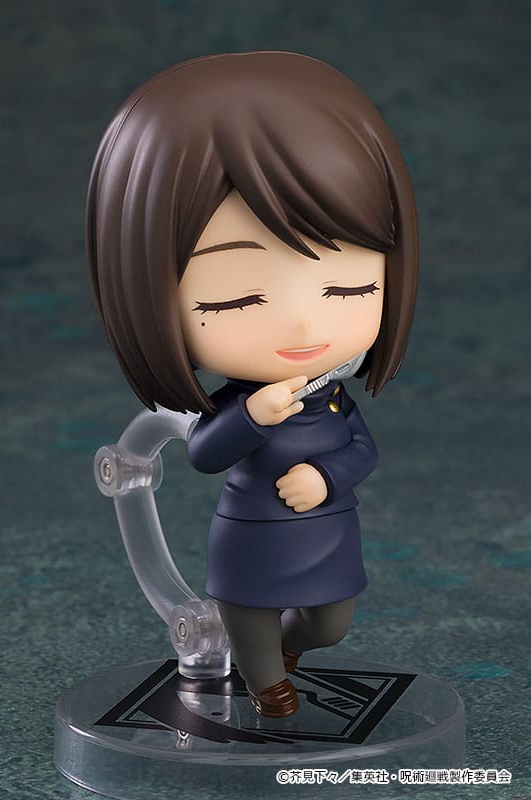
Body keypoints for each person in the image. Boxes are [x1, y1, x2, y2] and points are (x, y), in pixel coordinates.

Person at [86, 51, 418, 717]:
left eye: (347, 287)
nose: (303, 322)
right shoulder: (240, 401)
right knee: (250, 617)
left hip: (327, 527)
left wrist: (327, 478)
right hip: (251, 532)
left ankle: (287, 651)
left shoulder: (333, 395)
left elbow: (363, 449)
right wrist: (251, 417)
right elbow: (204, 453)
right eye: (238, 298)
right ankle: (267, 684)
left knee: (331, 623)